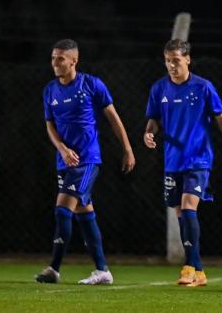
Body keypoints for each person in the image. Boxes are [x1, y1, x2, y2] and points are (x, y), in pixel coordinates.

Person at [144, 38, 222, 287]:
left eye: (176, 60)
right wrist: (149, 132)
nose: (171, 65)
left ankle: (189, 267)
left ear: (188, 59)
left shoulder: (203, 87)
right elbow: (153, 120)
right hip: (173, 161)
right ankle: (199, 270)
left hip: (198, 159)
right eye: (168, 61)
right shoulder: (159, 89)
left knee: (189, 207)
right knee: (181, 213)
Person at [35, 39, 135, 285]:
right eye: (53, 58)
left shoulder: (91, 84)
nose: (55, 63)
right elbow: (50, 126)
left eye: (60, 58)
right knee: (84, 212)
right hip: (64, 160)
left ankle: (54, 268)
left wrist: (128, 149)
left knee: (62, 209)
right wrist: (62, 148)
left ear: (73, 61)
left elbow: (113, 118)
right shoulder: (49, 90)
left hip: (87, 159)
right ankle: (102, 270)